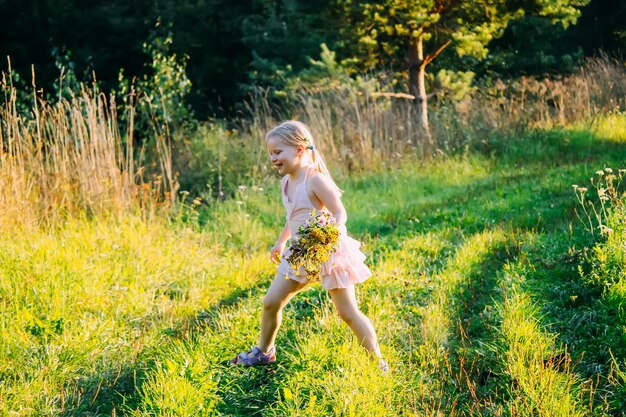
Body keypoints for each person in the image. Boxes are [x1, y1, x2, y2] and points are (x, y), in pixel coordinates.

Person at [229, 120, 389, 373]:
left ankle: (377, 361)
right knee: (271, 302)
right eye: (271, 153)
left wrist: (328, 235)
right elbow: (293, 216)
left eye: (278, 152)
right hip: (301, 252)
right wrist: (281, 241)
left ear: (300, 149)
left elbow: (340, 212)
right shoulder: (286, 182)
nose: (273, 158)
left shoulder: (315, 180)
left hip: (327, 251)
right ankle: (265, 351)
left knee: (347, 312)